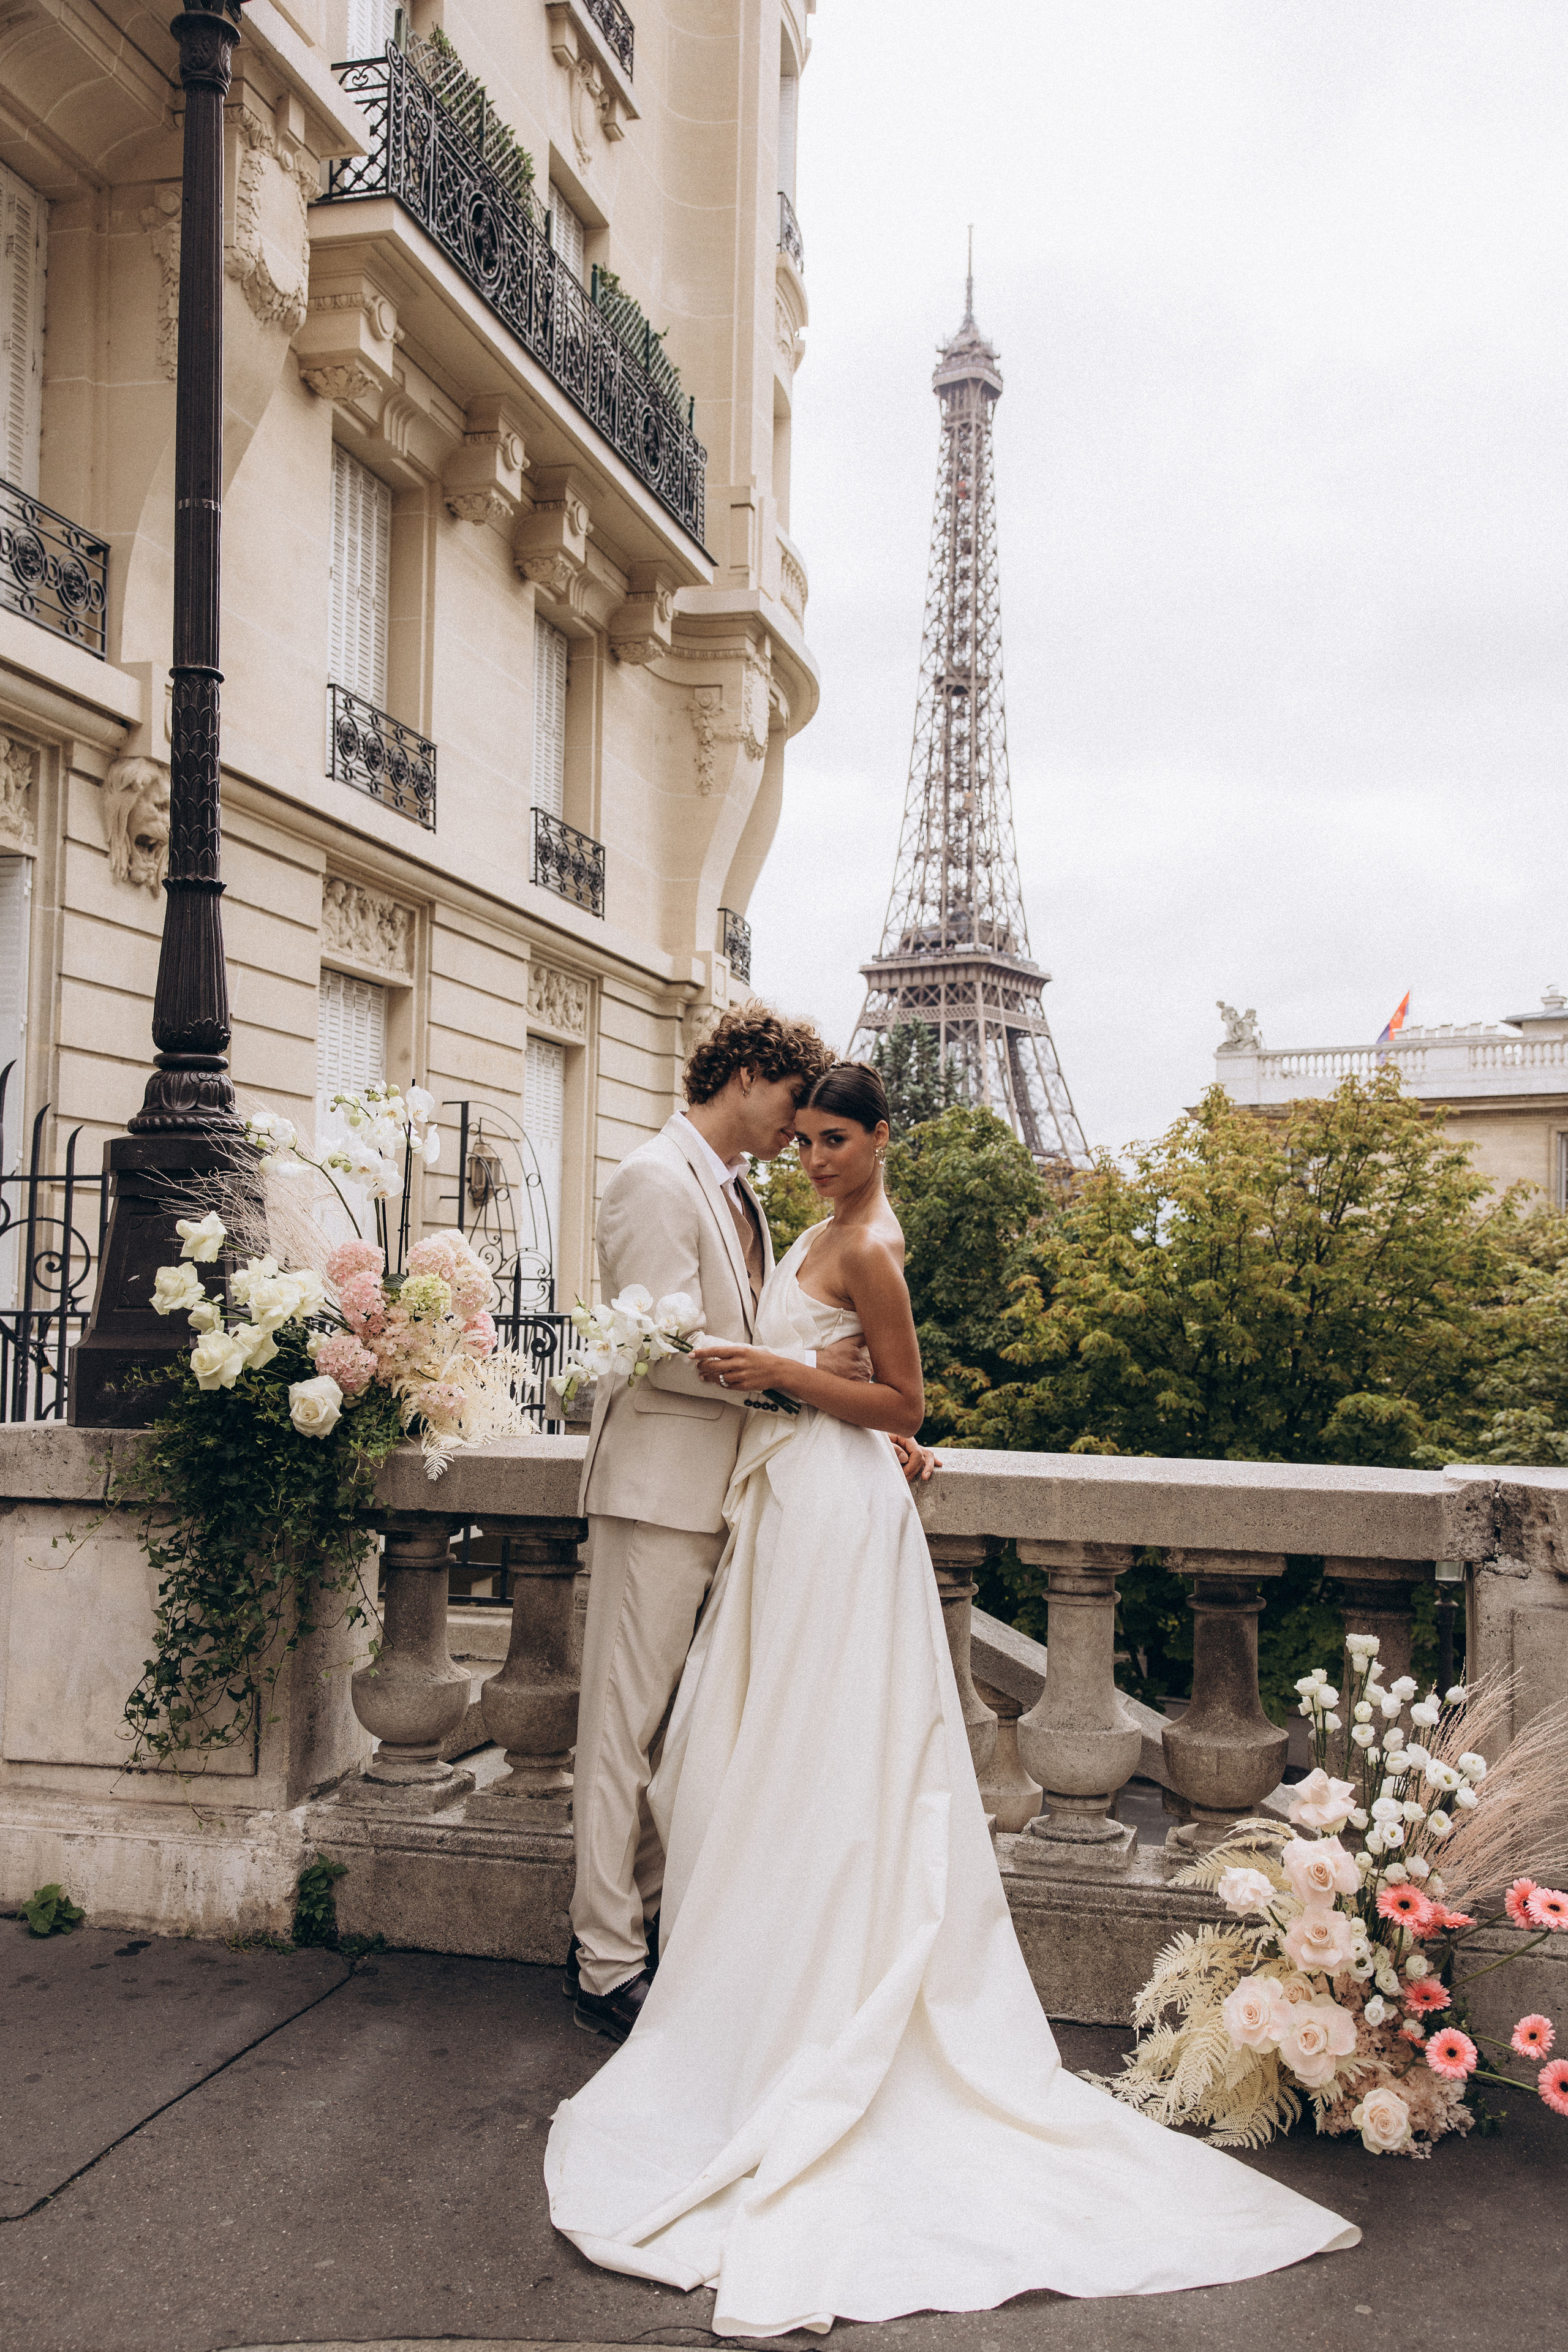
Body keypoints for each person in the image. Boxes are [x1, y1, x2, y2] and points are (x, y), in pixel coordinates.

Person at [546, 1061, 1358, 2340]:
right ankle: (761, 1976)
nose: (810, 1158)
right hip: (798, 1498)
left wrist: (798, 1381)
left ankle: (812, 1986)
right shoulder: (819, 1223)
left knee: (822, 1748)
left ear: (879, 1140)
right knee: (763, 1747)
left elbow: (903, 1396)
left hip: (826, 1507)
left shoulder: (867, 1241)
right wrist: (836, 1400)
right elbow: (869, 1391)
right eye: (801, 1139)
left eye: (833, 1140)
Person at [570, 1006, 929, 2043]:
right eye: (791, 1108)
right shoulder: (653, 1178)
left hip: (737, 1497)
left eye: (826, 1131)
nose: (798, 1136)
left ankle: (643, 1928)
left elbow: (779, 1334)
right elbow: (659, 1349)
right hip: (657, 1495)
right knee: (620, 1736)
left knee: (681, 1737)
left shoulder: (742, 1200)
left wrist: (861, 1423)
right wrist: (805, 1383)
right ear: (745, 1073)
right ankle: (601, 1962)